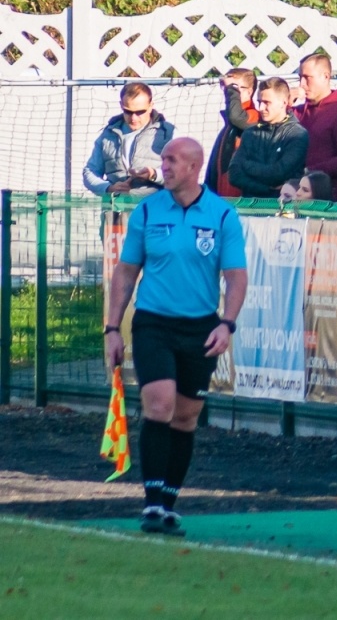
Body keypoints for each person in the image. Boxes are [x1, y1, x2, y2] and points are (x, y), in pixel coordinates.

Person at [103, 138, 246, 537]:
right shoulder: (147, 210)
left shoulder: (222, 215)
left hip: (200, 327)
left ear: (194, 167)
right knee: (159, 404)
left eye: (171, 160)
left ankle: (168, 503)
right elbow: (127, 272)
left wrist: (227, 323)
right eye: (163, 158)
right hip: (153, 323)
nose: (163, 166)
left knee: (185, 417)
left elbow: (236, 276)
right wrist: (113, 328)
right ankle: (151, 503)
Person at [84, 82, 175, 196]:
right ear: (121, 105)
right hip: (116, 210)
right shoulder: (108, 135)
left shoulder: (169, 133)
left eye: (140, 112)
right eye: (128, 111)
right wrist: (108, 188)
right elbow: (90, 171)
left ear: (151, 105)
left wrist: (154, 175)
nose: (133, 118)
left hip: (154, 210)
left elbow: (182, 175)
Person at [293, 53, 337, 201]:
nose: (302, 85)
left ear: (325, 76)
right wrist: (285, 100)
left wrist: (311, 171)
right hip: (294, 193)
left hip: (326, 197)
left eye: (307, 78)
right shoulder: (297, 112)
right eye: (300, 78)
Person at [227, 78, 309, 198]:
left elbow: (278, 173)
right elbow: (234, 175)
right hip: (249, 208)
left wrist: (246, 165)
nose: (260, 108)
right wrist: (266, 189)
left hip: (283, 208)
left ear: (284, 103)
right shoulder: (250, 133)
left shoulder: (297, 134)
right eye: (259, 101)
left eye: (267, 102)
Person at [206, 68, 259, 197]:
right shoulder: (229, 126)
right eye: (226, 88)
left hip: (243, 201)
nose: (228, 92)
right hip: (224, 198)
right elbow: (215, 167)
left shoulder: (254, 116)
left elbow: (237, 118)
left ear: (249, 91)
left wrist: (231, 89)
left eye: (234, 88)